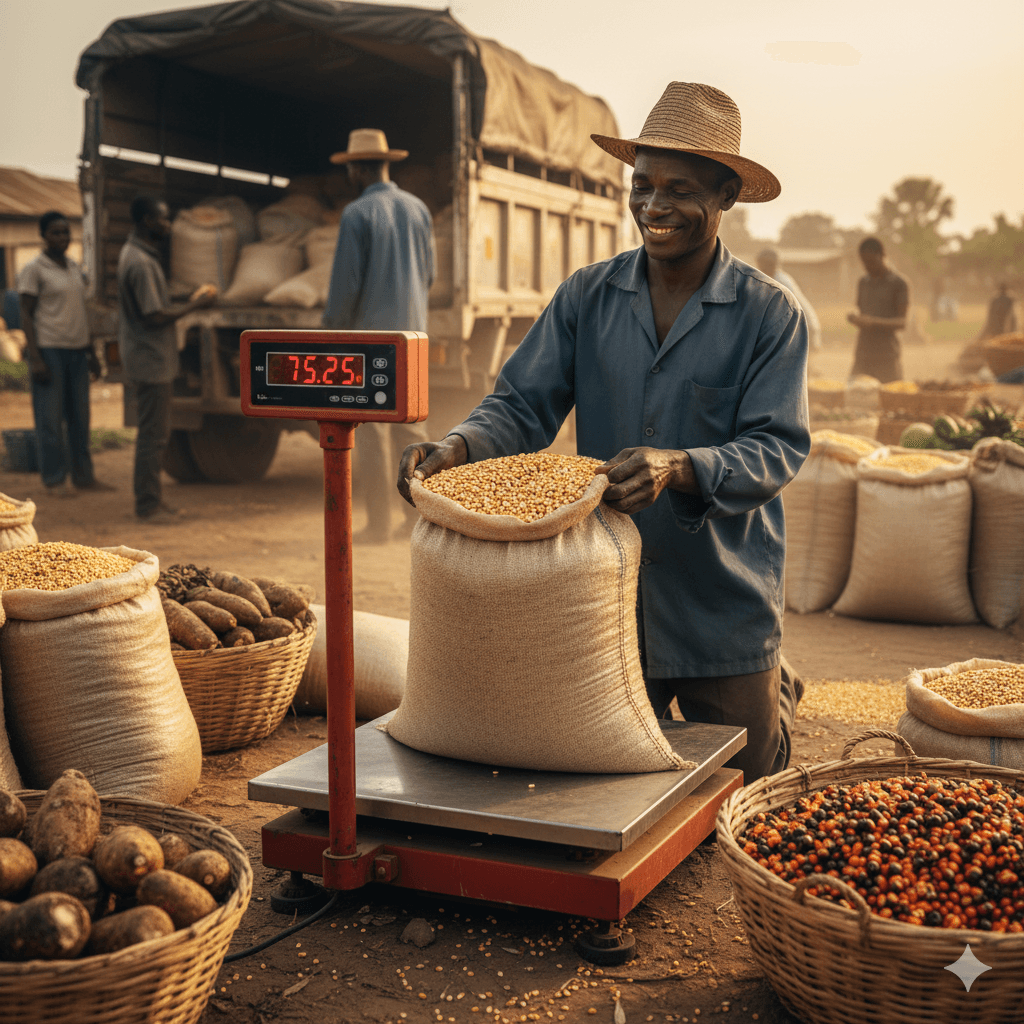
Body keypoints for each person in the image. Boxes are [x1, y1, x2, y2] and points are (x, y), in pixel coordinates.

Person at [398, 82, 809, 785]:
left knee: (745, 779)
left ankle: (776, 689)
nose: (653, 206)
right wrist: (459, 448)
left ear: (726, 196)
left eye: (680, 190)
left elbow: (777, 446)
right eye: (642, 185)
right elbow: (522, 404)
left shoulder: (769, 314)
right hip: (604, 594)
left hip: (722, 596)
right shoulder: (587, 295)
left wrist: (679, 466)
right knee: (614, 779)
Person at [323, 129, 435, 544]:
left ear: (356, 167)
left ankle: (379, 525)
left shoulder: (357, 213)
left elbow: (345, 288)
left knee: (372, 433)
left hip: (370, 342)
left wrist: (331, 334)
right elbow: (430, 275)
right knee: (412, 429)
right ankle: (415, 520)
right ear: (388, 162)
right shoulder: (418, 208)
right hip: (413, 334)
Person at [117, 195, 216, 522]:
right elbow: (155, 316)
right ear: (147, 221)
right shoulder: (142, 263)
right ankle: (147, 506)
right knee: (153, 436)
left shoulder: (136, 254)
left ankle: (153, 501)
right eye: (163, 219)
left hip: (147, 357)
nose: (168, 225)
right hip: (151, 361)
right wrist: (194, 306)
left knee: (154, 433)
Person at [17, 210, 112, 496]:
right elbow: (24, 312)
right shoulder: (34, 269)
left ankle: (84, 477)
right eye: (55, 232)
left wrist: (92, 353)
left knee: (80, 419)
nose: (62, 237)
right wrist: (35, 357)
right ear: (43, 236)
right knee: (50, 421)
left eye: (65, 232)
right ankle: (55, 480)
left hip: (77, 353)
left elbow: (83, 314)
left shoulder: (74, 268)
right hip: (50, 352)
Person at [846, 237, 909, 383]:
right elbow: (862, 312)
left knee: (890, 398)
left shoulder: (899, 283)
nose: (867, 267)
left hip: (886, 354)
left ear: (882, 256)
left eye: (871, 262)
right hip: (863, 352)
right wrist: (855, 318)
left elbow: (902, 322)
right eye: (864, 263)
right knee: (854, 395)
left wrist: (873, 322)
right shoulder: (863, 282)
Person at [756, 248, 822, 350]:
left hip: (802, 328)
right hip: (801, 327)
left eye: (761, 264)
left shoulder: (778, 282)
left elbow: (776, 314)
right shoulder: (777, 278)